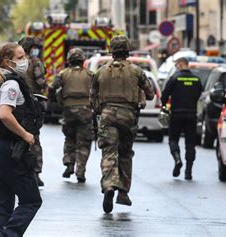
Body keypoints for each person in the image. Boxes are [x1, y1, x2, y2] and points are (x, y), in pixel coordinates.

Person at [0, 43, 42, 236]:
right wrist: (25, 134)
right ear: (8, 62)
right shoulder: (11, 83)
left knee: (3, 204)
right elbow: (5, 114)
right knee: (31, 200)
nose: (25, 60)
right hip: (9, 148)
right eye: (20, 58)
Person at [90, 35, 154, 214]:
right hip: (128, 116)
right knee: (125, 153)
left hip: (107, 115)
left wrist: (99, 111)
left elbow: (93, 97)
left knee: (109, 152)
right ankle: (123, 193)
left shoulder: (101, 71)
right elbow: (150, 94)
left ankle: (109, 185)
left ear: (112, 51)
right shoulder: (136, 71)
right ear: (127, 50)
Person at [49, 48, 94, 183]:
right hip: (86, 111)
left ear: (69, 60)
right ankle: (80, 170)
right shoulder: (90, 74)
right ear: (83, 60)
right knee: (84, 142)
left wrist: (53, 101)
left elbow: (51, 88)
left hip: (68, 111)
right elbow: (97, 91)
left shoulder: (63, 74)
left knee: (69, 138)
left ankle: (69, 164)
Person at [161, 57, 203, 180]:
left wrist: (164, 106)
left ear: (181, 64)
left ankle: (177, 159)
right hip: (191, 114)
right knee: (190, 144)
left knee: (173, 140)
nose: (176, 68)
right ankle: (188, 172)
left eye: (176, 65)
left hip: (176, 114)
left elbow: (164, 95)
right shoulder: (196, 79)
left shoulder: (174, 78)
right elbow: (199, 94)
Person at [18, 36, 46, 186]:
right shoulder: (35, 62)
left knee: (16, 135)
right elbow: (41, 82)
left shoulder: (15, 62)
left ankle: (18, 169)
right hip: (33, 104)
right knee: (34, 138)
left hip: (16, 104)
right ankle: (35, 171)